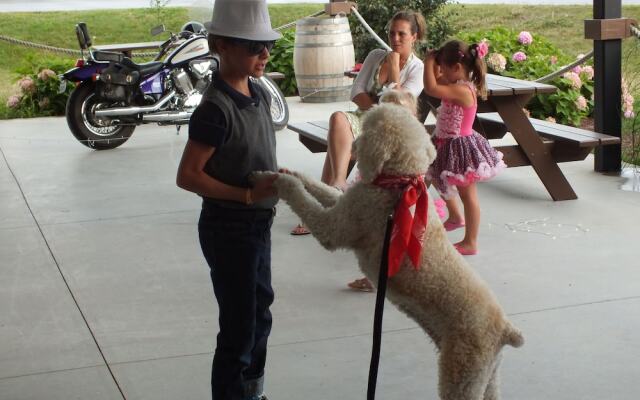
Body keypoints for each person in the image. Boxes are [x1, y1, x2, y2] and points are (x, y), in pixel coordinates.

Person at [175, 1, 280, 399]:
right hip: (229, 228)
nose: (264, 55)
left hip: (257, 224)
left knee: (259, 311)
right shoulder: (214, 111)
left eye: (266, 46)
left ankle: (252, 391)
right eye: (253, 47)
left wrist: (271, 180)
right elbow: (188, 176)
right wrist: (247, 194)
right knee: (239, 325)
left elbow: (251, 152)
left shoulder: (258, 93)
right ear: (220, 44)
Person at [291, 10, 427, 238]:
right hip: (364, 117)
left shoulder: (417, 68)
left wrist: (394, 69)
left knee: (338, 146)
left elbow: (400, 108)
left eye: (401, 34)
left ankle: (320, 206)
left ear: (415, 36)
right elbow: (355, 93)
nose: (395, 39)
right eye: (392, 33)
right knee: (338, 118)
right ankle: (338, 184)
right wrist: (380, 101)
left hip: (392, 129)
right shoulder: (376, 56)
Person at [423, 39, 506, 256]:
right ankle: (455, 217)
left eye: (444, 67)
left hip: (460, 147)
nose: (441, 72)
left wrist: (428, 62)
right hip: (445, 142)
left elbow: (431, 86)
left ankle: (470, 242)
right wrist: (436, 61)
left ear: (457, 68)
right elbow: (438, 80)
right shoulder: (455, 84)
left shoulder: (462, 91)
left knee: (468, 196)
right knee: (436, 177)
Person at [346, 89, 418, 292]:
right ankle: (379, 276)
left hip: (398, 198)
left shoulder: (410, 138)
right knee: (381, 239)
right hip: (384, 197)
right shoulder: (380, 136)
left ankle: (381, 277)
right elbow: (357, 155)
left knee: (392, 239)